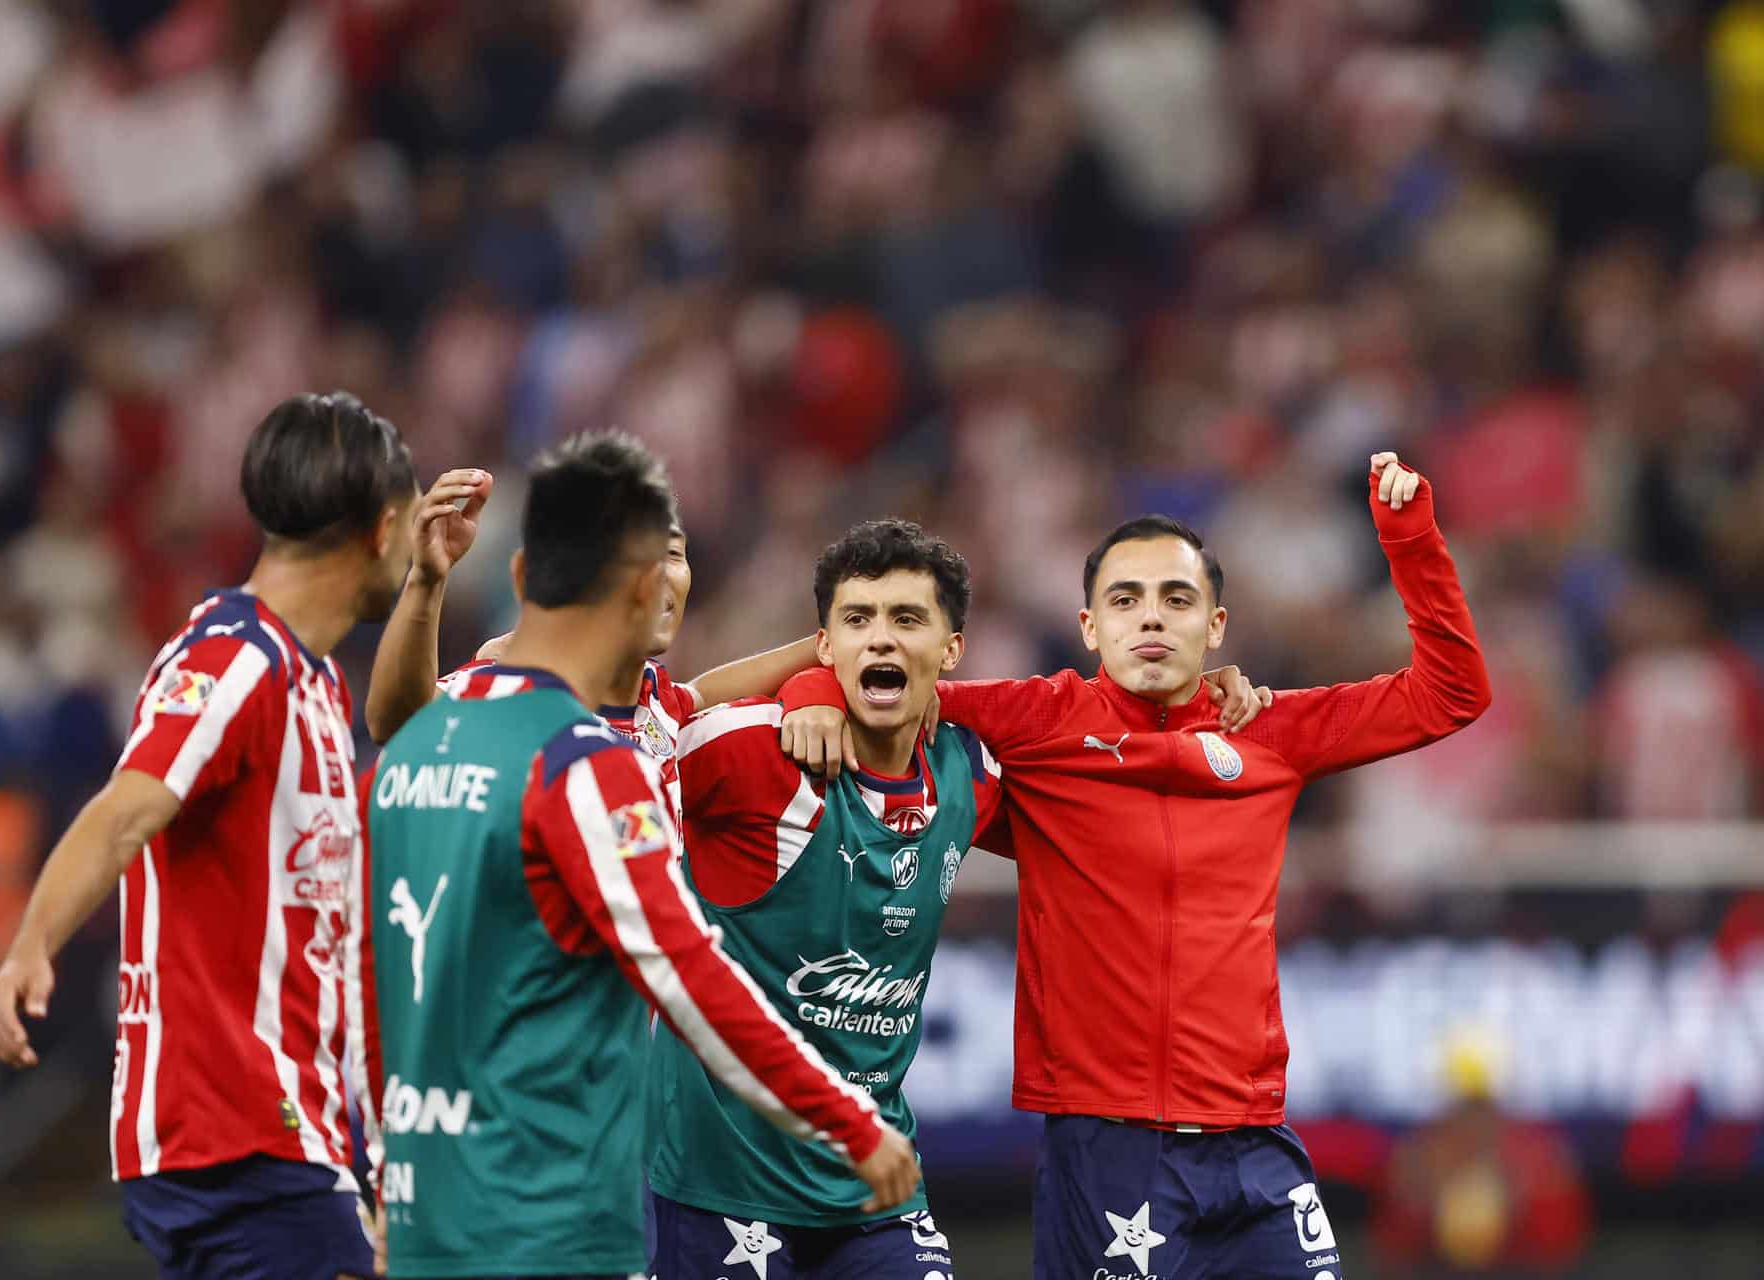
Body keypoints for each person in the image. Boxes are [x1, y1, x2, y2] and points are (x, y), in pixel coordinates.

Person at [781, 453, 1491, 1280]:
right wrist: (809, 695)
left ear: (1215, 627)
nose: (1150, 617)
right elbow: (878, 681)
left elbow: (1453, 693)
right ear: (1089, 627)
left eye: (1176, 599)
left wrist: (1410, 540)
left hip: (1256, 1140)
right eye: (1125, 600)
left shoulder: (1269, 731)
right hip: (1110, 1150)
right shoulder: (1039, 717)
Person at [359, 433, 919, 1280]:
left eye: (680, 553)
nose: (667, 575)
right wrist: (843, 1121)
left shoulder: (453, 750)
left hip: (462, 1176)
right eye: (651, 558)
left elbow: (373, 976)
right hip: (548, 1185)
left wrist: (826, 657)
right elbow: (688, 973)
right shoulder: (572, 758)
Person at [0, 392, 423, 1280]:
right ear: (380, 531)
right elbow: (125, 809)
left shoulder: (317, 684)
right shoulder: (235, 657)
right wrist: (32, 943)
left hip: (298, 1129)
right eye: (411, 529)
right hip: (238, 1131)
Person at [646, 519, 1004, 1280]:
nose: (881, 638)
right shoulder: (749, 749)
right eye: (857, 619)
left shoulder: (971, 771)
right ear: (824, 645)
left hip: (873, 1184)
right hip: (718, 1185)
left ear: (951, 650)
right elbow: (641, 730)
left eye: (906, 619)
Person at [362, 468, 824, 821]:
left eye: (672, 553)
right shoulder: (512, 688)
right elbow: (403, 721)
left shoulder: (654, 698)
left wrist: (829, 651)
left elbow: (700, 693)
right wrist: (427, 579)